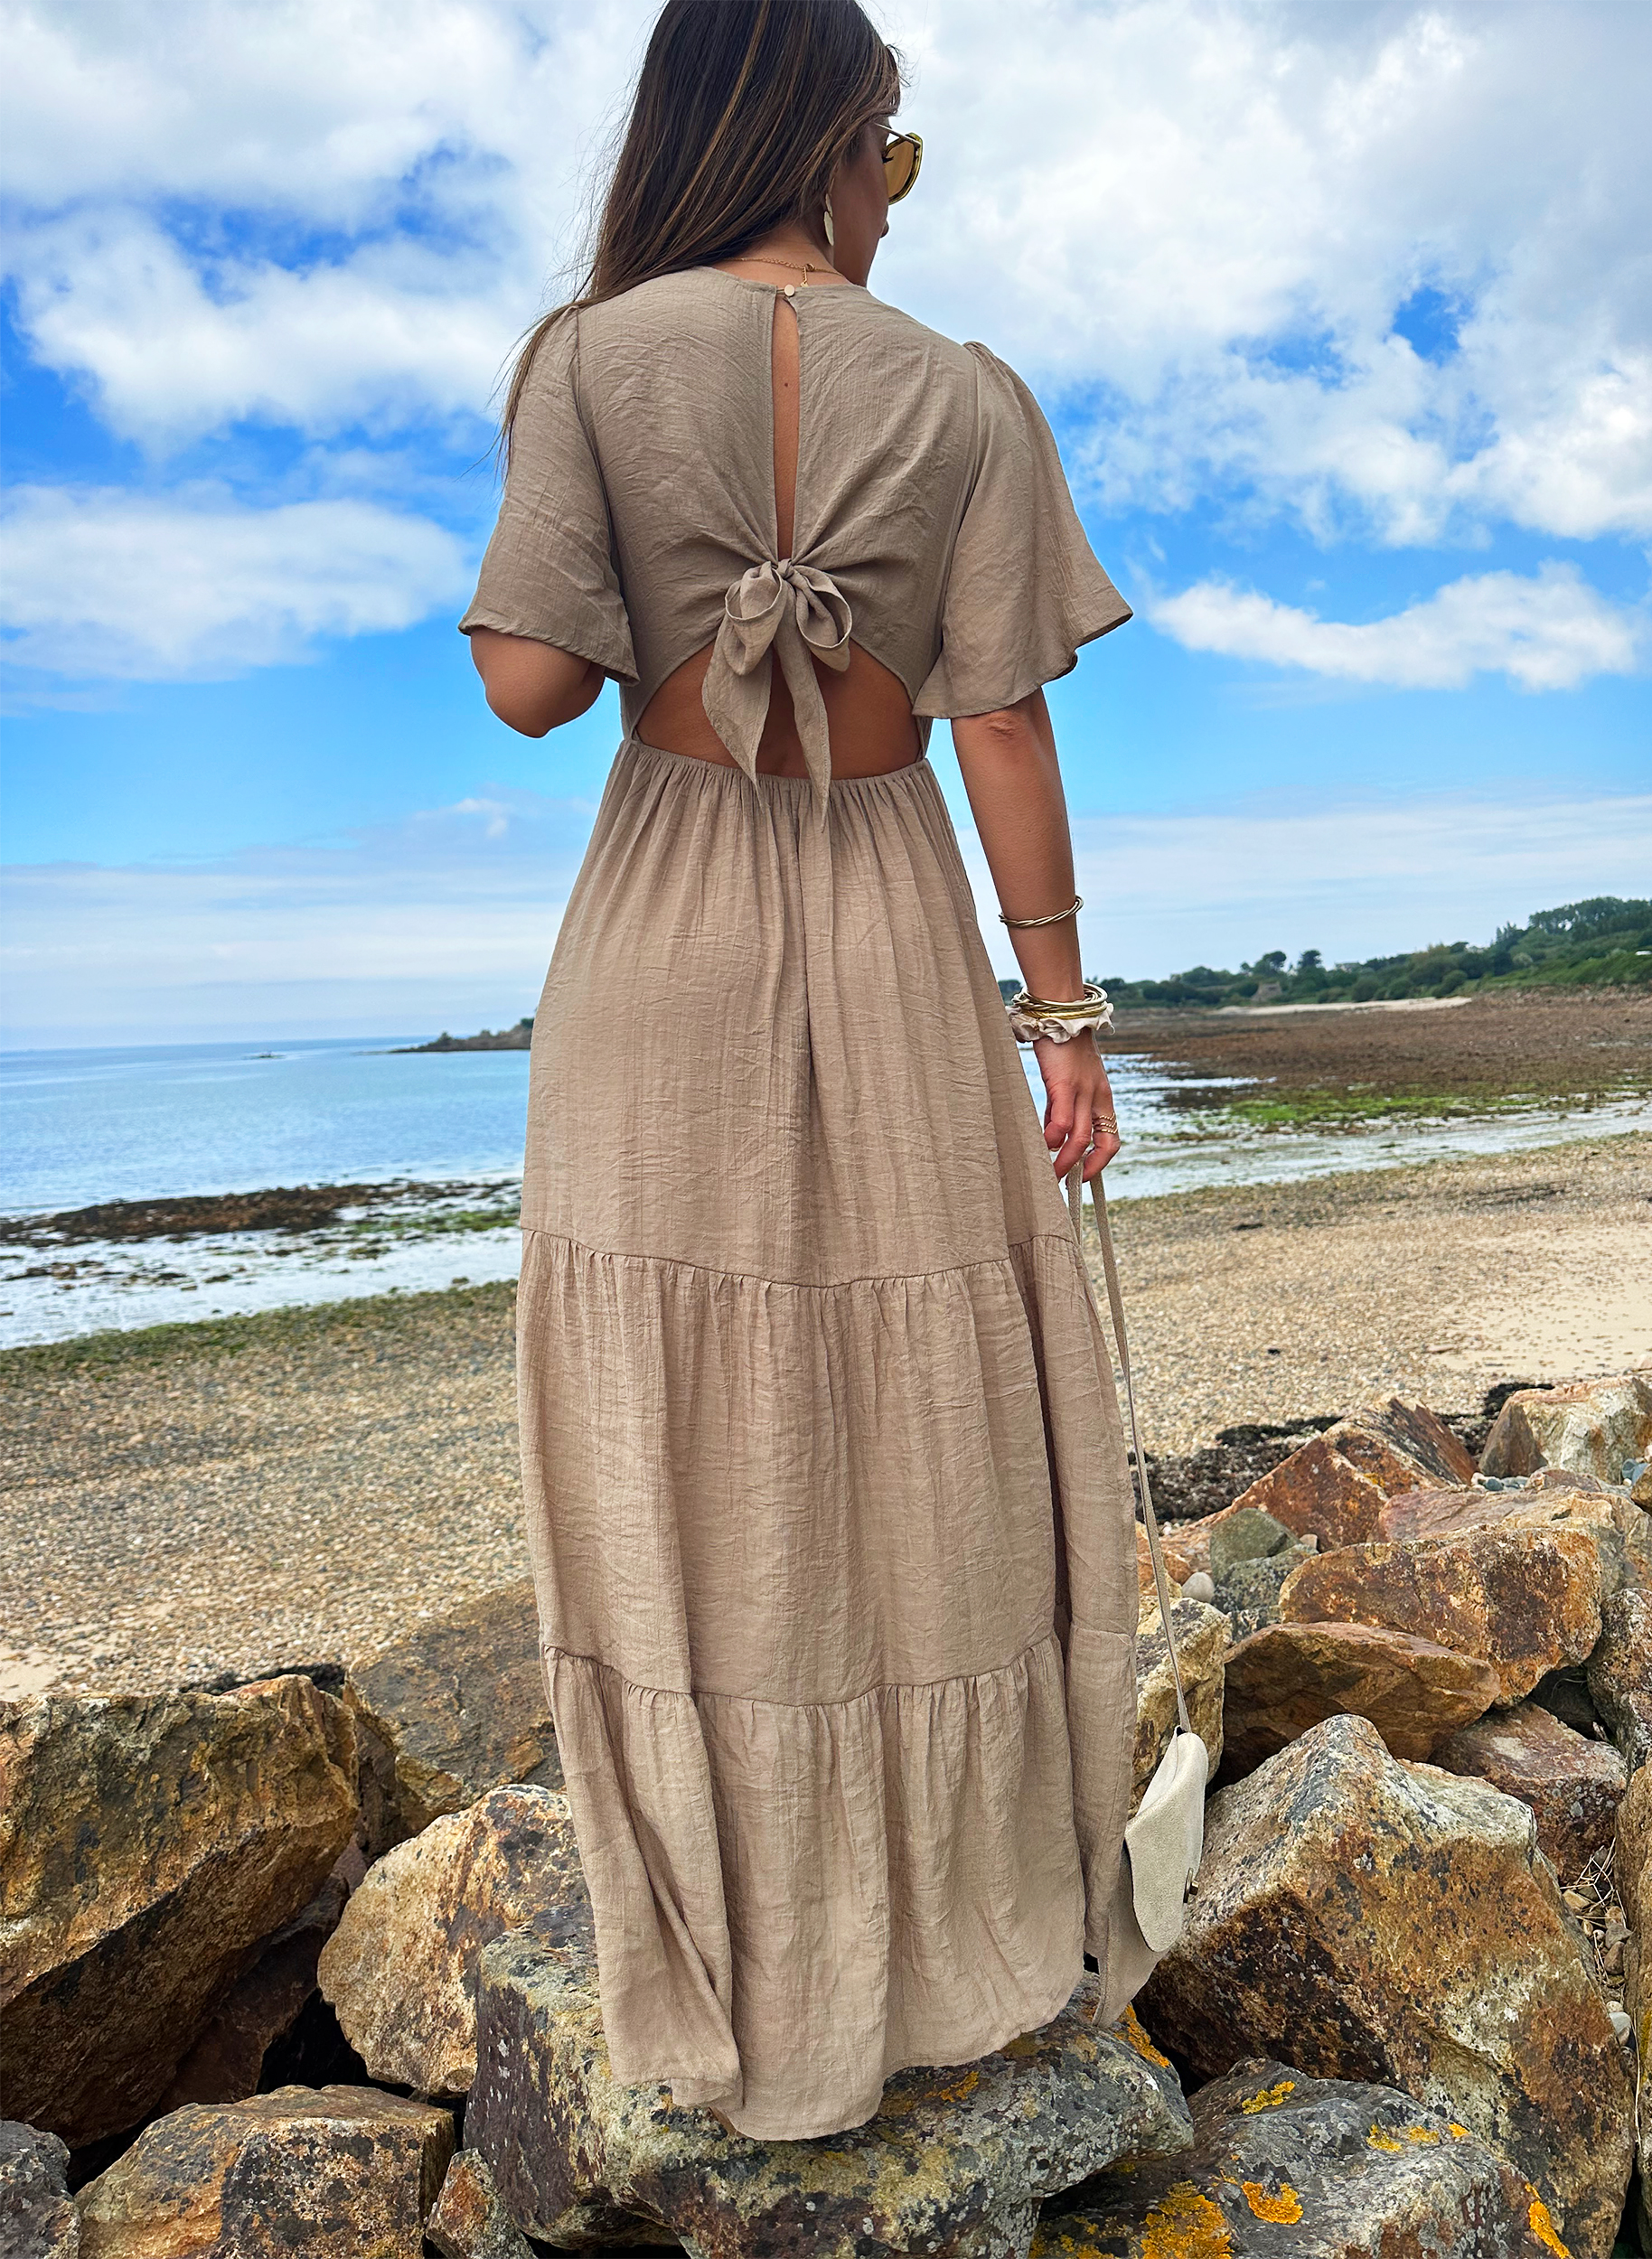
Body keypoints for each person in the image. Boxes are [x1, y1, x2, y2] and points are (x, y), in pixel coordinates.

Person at [461, 0, 1138, 2142]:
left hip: (663, 928)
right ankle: (957, 1925)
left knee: (678, 1426)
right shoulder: (966, 394)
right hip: (890, 905)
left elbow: (526, 687)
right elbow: (1002, 720)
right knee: (930, 1404)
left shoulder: (586, 359)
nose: (891, 194)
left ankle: (736, 1954)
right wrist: (1063, 1019)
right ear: (831, 134)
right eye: (890, 150)